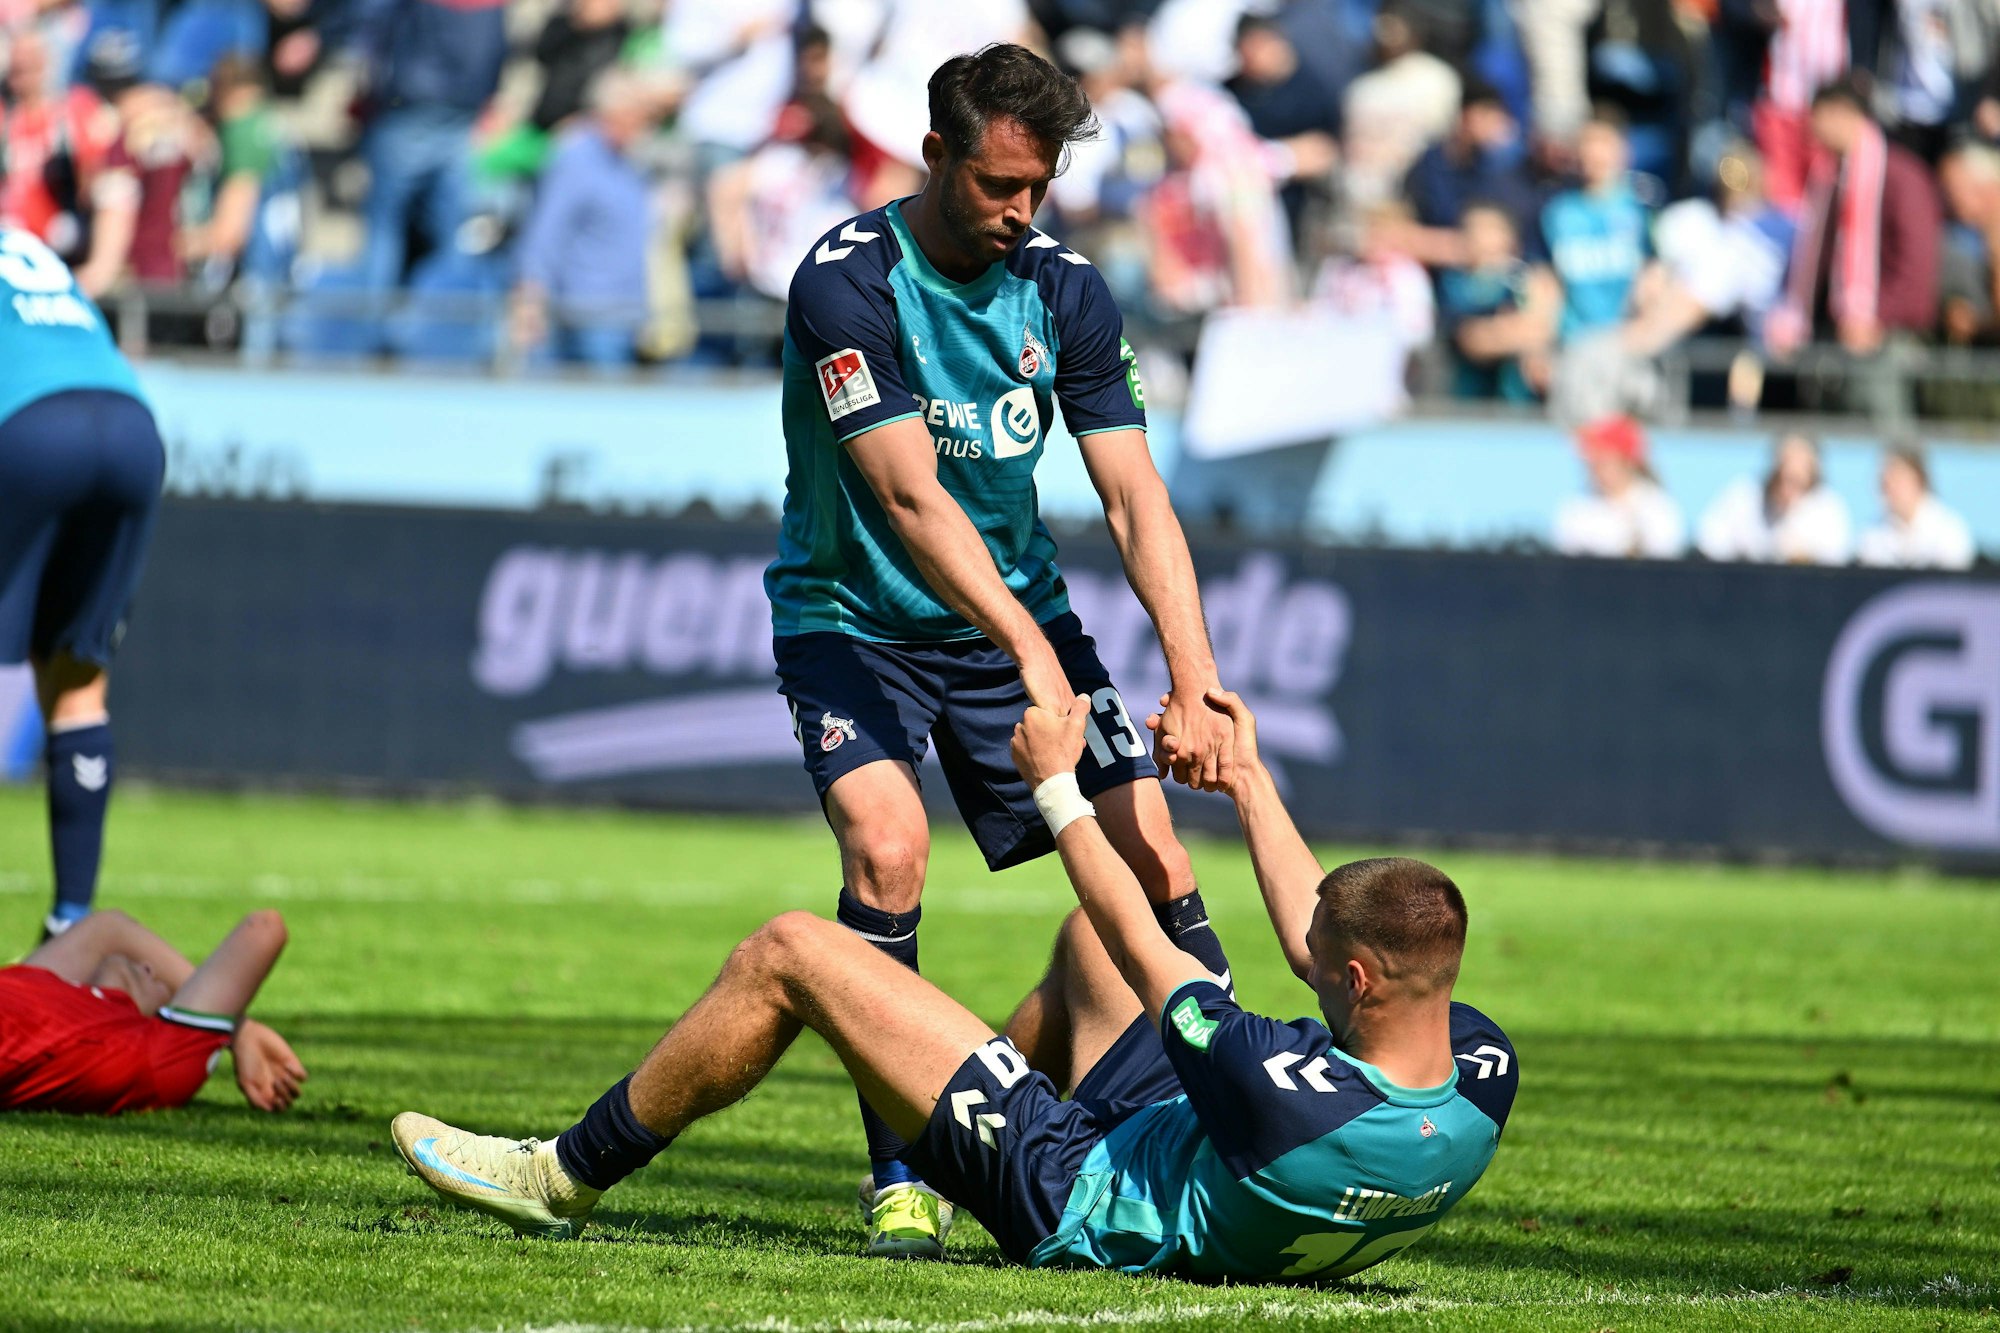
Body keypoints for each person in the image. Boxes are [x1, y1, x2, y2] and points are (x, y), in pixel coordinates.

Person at [391, 690, 1519, 1282]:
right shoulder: (1474, 1070)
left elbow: (1149, 942)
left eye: (1326, 947)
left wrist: (1055, 791)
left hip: (1076, 1191)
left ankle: (563, 1173)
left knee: (793, 949)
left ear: (1358, 977)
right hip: (1200, 1149)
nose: (1305, 939)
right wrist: (1249, 776)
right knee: (1083, 937)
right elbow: (1309, 938)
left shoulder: (1282, 1094)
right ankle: (938, 1136)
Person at [760, 43, 1235, 1258]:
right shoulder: (845, 281)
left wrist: (1195, 677)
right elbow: (911, 498)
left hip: (1014, 617)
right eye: (996, 187)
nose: (1020, 213)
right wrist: (1030, 651)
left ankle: (1180, 1134)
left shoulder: (1065, 288)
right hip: (852, 617)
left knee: (1149, 845)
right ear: (934, 156)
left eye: (1038, 189)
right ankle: (897, 1181)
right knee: (887, 847)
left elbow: (1132, 497)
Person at [0, 226, 167, 941]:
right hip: (132, 426)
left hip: (28, 424)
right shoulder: (24, 239)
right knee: (77, 677)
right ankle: (71, 924)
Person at [0, 906, 304, 1114]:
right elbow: (109, 928)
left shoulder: (152, 1063)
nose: (149, 966)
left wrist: (231, 1025)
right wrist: (240, 1031)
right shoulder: (51, 988)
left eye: (167, 989)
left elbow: (264, 926)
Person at [1697, 431, 1853, 564]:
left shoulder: (1829, 508)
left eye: (1797, 478)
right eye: (1783, 471)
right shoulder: (1743, 496)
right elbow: (1709, 541)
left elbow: (1835, 558)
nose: (1787, 481)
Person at [1552, 415, 1685, 558]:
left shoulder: (1657, 508)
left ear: (1627, 462)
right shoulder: (1576, 508)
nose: (1594, 467)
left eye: (1603, 460)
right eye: (1592, 460)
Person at [1856, 445, 1976, 569]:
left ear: (1919, 479)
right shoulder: (1871, 533)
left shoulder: (1950, 530)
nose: (1889, 488)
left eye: (1897, 479)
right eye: (1885, 482)